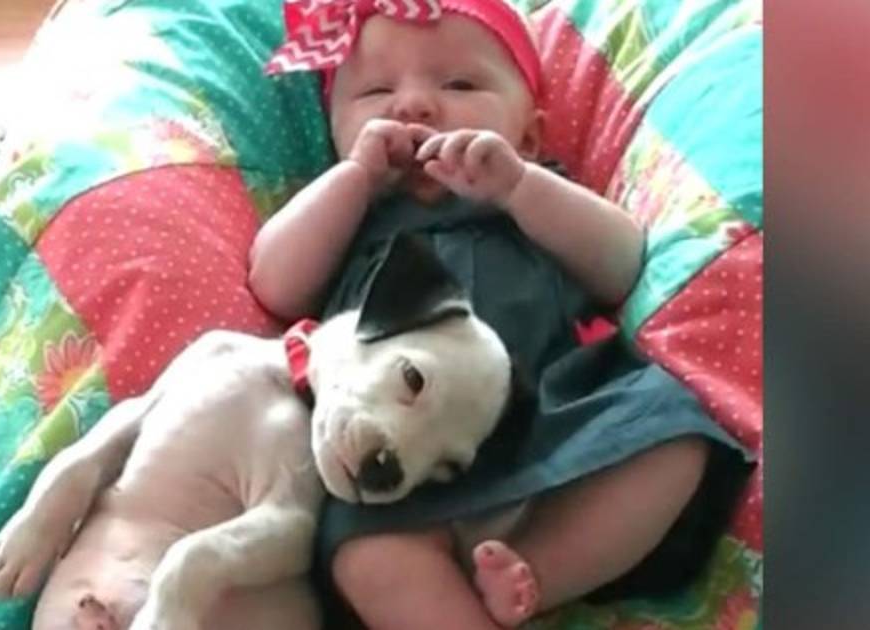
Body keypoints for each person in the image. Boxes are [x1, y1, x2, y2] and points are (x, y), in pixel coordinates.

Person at [250, 1, 754, 628]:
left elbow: (622, 262)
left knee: (674, 441)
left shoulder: (531, 194)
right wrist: (353, 178)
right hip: (400, 450)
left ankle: (535, 571)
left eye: (460, 85)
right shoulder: (348, 215)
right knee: (366, 555)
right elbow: (274, 283)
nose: (414, 106)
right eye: (376, 92)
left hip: (553, 414)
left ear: (530, 137)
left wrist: (517, 186)